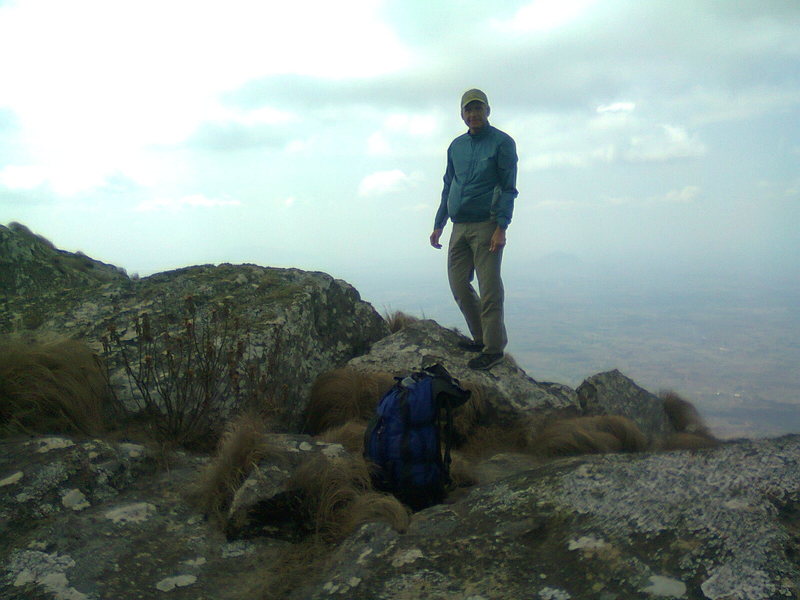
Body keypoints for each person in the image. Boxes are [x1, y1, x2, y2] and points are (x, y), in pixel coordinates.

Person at [429, 88, 518, 370]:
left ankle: (493, 349)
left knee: (489, 288)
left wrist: (501, 226)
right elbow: (448, 186)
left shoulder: (502, 143)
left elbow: (508, 187)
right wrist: (438, 223)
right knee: (458, 285)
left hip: (487, 224)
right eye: (468, 110)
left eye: (478, 109)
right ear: (462, 114)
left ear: (487, 111)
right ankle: (481, 338)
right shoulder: (456, 146)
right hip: (459, 224)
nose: (473, 114)